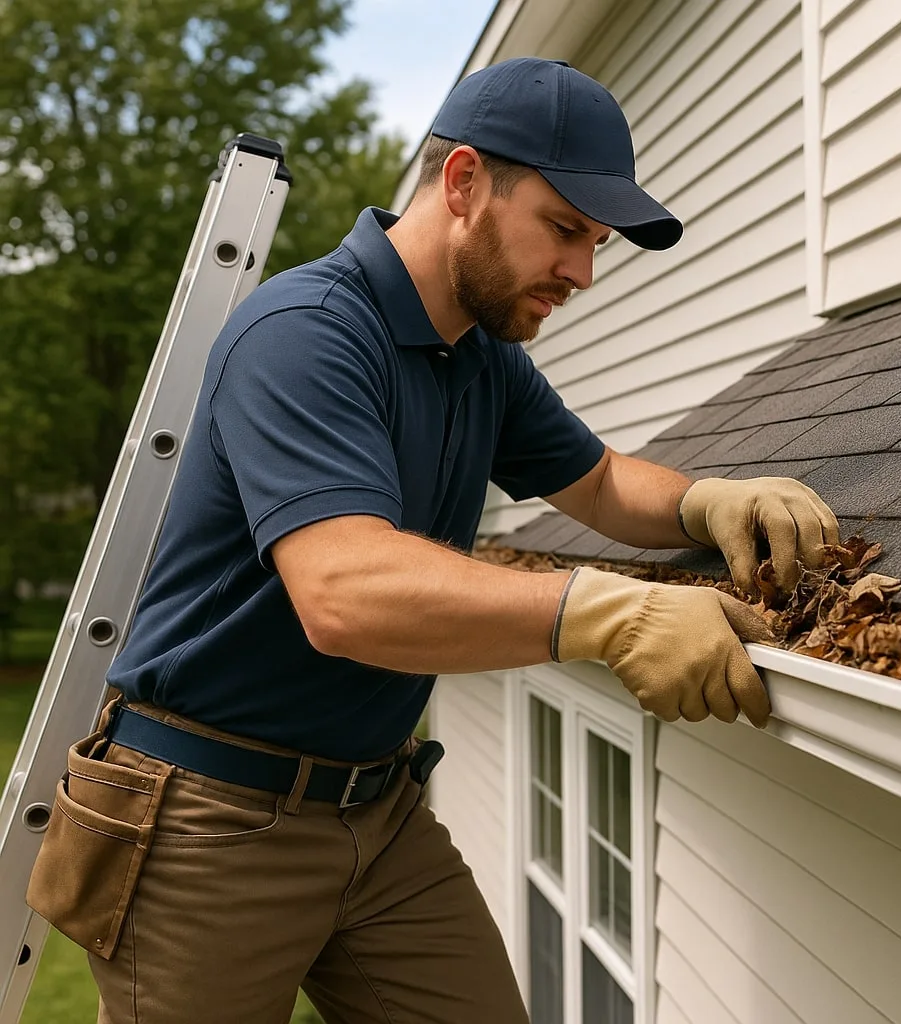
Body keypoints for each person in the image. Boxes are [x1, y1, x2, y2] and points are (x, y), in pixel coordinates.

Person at [26, 57, 839, 1023]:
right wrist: (608, 612)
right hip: (208, 817)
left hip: (378, 811)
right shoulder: (306, 330)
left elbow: (600, 480)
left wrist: (708, 501)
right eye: (567, 230)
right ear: (462, 184)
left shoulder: (480, 357)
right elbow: (345, 592)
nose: (581, 271)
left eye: (597, 243)